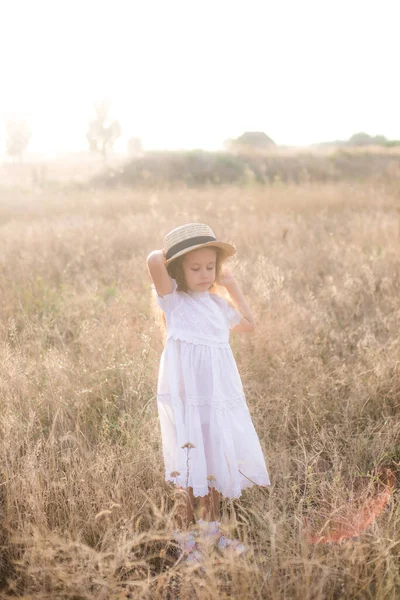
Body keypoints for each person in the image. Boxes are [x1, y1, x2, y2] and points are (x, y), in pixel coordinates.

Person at [146, 223, 270, 559]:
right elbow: (153, 259)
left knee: (214, 461)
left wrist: (231, 284)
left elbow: (249, 324)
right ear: (178, 270)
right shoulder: (174, 301)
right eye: (195, 267)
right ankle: (185, 540)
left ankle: (211, 532)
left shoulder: (217, 304)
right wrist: (174, 253)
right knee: (189, 469)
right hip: (189, 400)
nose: (205, 274)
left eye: (211, 267)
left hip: (218, 398)